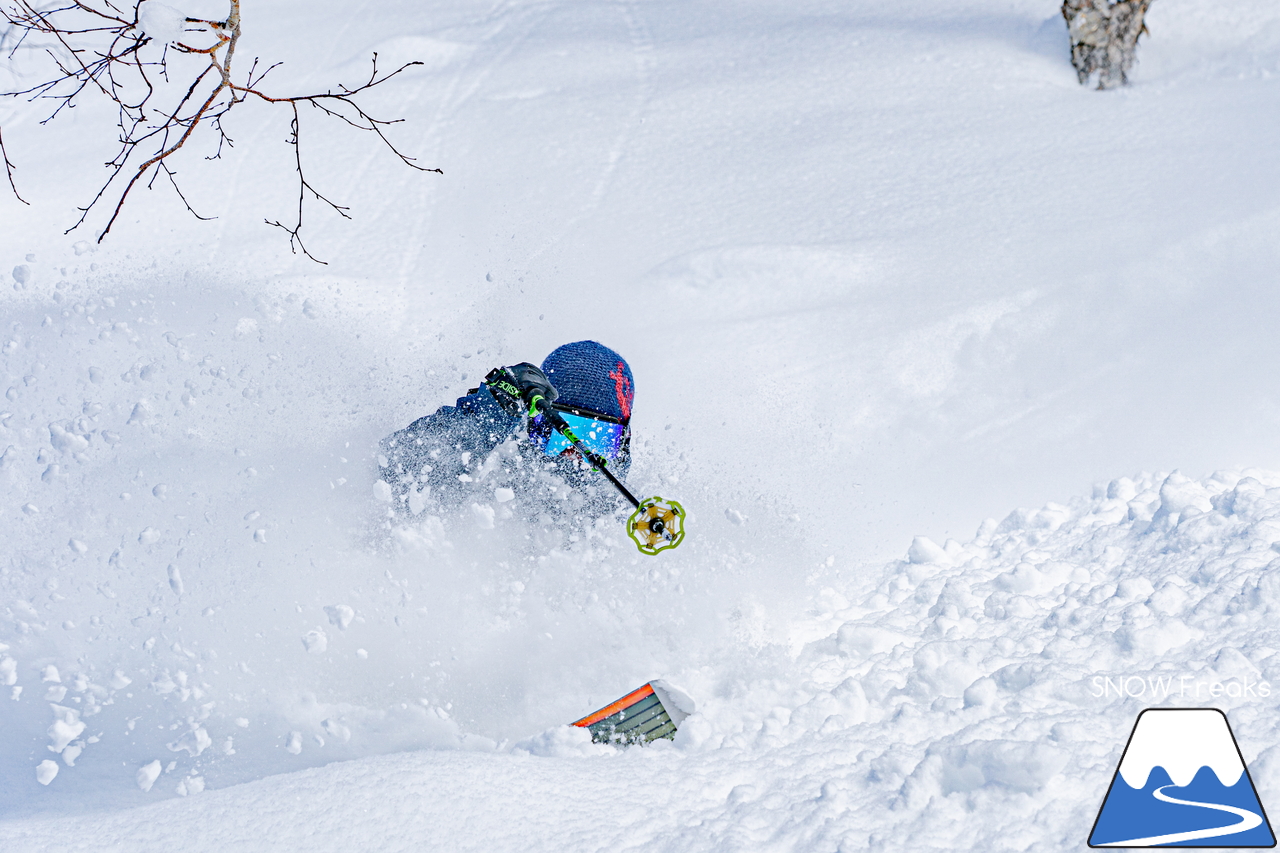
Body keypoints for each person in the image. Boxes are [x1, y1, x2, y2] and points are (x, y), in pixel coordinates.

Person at [377, 340, 635, 521]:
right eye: (555, 431)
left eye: (598, 437)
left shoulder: (629, 517)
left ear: (623, 444)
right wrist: (489, 413)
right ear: (531, 420)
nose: (573, 451)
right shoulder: (494, 464)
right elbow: (392, 469)